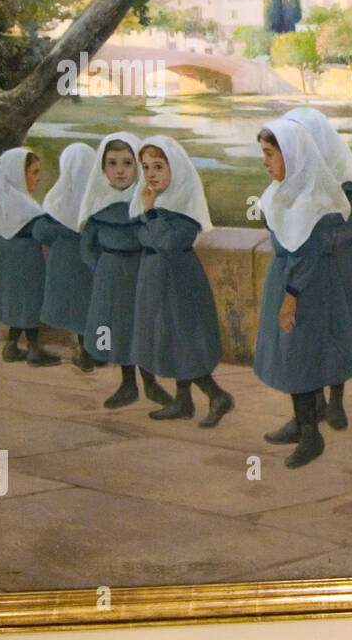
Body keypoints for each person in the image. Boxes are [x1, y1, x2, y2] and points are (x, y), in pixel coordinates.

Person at [254, 118, 352, 468]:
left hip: (306, 289)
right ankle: (300, 423)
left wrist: (291, 296)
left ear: (292, 157)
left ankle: (312, 436)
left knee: (302, 359)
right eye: (262, 154)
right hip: (286, 280)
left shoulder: (313, 201)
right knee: (291, 358)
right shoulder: (283, 192)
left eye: (270, 155)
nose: (265, 163)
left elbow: (308, 256)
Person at [280, 106, 352, 432]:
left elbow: (347, 228)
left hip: (337, 268)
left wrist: (314, 238)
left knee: (336, 336)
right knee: (305, 340)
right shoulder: (293, 177)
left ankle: (335, 401)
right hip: (306, 268)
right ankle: (310, 408)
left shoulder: (344, 179)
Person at [130, 136, 235, 425]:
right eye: (146, 167)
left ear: (174, 169)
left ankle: (217, 395)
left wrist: (150, 215)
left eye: (159, 167)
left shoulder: (184, 208)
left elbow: (168, 241)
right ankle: (183, 401)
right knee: (168, 340)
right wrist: (150, 219)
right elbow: (144, 237)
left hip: (179, 282)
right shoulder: (152, 204)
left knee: (184, 340)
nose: (150, 174)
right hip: (154, 280)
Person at [79, 133, 174, 409]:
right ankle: (128, 384)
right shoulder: (98, 206)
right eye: (112, 163)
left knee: (142, 327)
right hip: (109, 275)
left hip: (140, 273)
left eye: (127, 163)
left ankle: (151, 383)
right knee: (118, 331)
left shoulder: (146, 202)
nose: (119, 170)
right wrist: (99, 267)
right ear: (102, 167)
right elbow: (87, 246)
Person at [0, 147, 60, 366]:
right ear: (17, 175)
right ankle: (34, 351)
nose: (39, 177)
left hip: (6, 267)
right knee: (30, 306)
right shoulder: (25, 207)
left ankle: (12, 346)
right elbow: (45, 232)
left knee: (17, 307)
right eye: (34, 172)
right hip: (27, 264)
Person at [35, 143, 98, 372]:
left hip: (64, 260)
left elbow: (43, 232)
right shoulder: (99, 197)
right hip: (90, 261)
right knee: (92, 308)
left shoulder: (58, 196)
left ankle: (85, 352)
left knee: (76, 310)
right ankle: (95, 352)